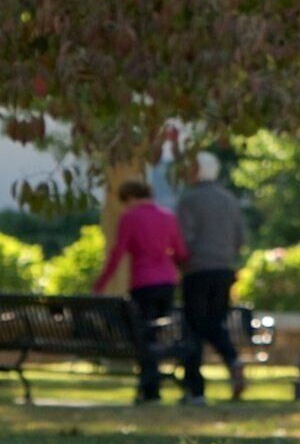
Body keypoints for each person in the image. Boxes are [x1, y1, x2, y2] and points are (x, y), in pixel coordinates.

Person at [95, 175, 186, 404]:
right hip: (167, 282)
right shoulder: (167, 216)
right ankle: (156, 383)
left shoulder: (130, 218)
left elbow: (118, 252)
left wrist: (101, 284)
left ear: (130, 197)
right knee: (158, 332)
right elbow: (180, 251)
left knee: (144, 335)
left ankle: (150, 387)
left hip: (143, 283)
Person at [172, 150, 252, 404]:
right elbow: (240, 238)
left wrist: (179, 262)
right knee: (214, 323)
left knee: (194, 329)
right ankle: (232, 360)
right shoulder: (229, 200)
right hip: (224, 271)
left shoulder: (190, 200)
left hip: (197, 271)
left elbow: (183, 239)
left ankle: (195, 390)